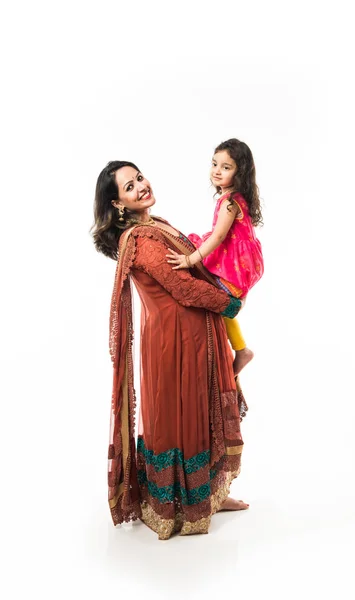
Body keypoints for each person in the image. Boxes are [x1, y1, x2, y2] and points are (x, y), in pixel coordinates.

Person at [91, 160, 249, 540]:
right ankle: (182, 504)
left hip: (192, 336)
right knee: (185, 417)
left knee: (202, 412)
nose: (141, 186)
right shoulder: (142, 240)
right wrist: (230, 304)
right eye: (130, 187)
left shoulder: (153, 224)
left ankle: (209, 493)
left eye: (140, 177)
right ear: (117, 204)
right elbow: (183, 289)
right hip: (177, 344)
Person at [167, 138, 264, 376]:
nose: (217, 171)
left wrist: (190, 260)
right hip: (237, 259)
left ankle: (241, 349)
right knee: (218, 300)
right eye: (214, 164)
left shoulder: (230, 203)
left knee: (220, 300)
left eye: (226, 167)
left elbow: (219, 237)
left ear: (240, 173)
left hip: (235, 264)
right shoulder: (233, 198)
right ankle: (239, 347)